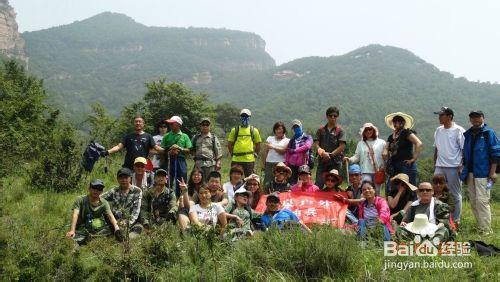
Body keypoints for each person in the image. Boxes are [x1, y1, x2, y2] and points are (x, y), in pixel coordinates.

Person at [460, 110, 499, 235]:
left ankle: (486, 230)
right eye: (473, 118)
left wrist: (493, 173)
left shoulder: (489, 133)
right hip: (470, 173)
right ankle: (480, 226)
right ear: (470, 119)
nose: (475, 120)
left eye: (478, 117)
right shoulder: (468, 134)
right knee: (473, 200)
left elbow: (496, 154)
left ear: (483, 118)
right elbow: (465, 154)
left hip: (483, 173)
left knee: (482, 201)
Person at [432, 107, 465, 226]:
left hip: (454, 166)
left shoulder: (458, 130)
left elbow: (463, 149)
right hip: (440, 165)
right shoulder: (438, 130)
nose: (439, 117)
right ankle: (438, 216)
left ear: (450, 116)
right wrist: (434, 161)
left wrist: (462, 165)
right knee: (436, 191)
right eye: (439, 115)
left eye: (442, 115)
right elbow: (436, 147)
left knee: (455, 194)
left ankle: (455, 221)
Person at [66, 179, 122, 245]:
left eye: (99, 189)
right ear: (89, 189)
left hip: (97, 228)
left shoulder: (104, 203)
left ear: (102, 191)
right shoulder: (80, 200)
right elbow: (75, 214)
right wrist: (72, 230)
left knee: (111, 232)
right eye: (94, 188)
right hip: (82, 228)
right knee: (71, 238)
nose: (96, 191)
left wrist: (116, 228)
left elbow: (110, 216)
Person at [383, 112, 422, 196]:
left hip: (406, 165)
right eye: (395, 121)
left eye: (400, 121)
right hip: (394, 166)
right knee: (396, 188)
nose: (397, 123)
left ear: (403, 122)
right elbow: (386, 148)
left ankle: (412, 208)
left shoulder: (406, 132)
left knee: (410, 188)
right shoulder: (391, 137)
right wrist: (385, 152)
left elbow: (418, 143)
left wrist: (414, 159)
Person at [344, 123, 386, 195]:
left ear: (374, 130)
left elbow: (385, 157)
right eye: (366, 130)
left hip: (378, 171)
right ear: (363, 132)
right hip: (365, 171)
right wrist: (350, 159)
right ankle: (366, 205)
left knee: (377, 191)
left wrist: (384, 167)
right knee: (367, 190)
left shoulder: (382, 143)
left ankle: (376, 205)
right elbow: (357, 156)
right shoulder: (361, 143)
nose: (368, 131)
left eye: (370, 129)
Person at [102, 168, 143, 238]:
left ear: (130, 178)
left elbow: (136, 212)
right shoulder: (114, 190)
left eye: (126, 177)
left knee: (135, 232)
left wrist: (127, 222)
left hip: (130, 221)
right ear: (117, 179)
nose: (123, 180)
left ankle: (124, 235)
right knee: (103, 232)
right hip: (116, 221)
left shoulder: (137, 191)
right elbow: (100, 198)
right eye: (121, 178)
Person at [314, 107, 346, 188]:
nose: (332, 117)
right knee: (319, 184)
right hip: (322, 161)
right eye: (330, 115)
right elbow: (316, 144)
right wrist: (322, 153)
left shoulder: (340, 131)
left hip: (335, 162)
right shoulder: (320, 130)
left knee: (334, 185)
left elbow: (342, 146)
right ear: (327, 116)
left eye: (335, 116)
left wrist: (330, 155)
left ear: (337, 117)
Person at [161, 115, 192, 196]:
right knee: (167, 179)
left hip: (180, 161)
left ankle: (181, 198)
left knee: (181, 179)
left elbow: (189, 150)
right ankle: (167, 197)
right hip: (169, 160)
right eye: (170, 123)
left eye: (172, 123)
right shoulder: (167, 135)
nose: (170, 125)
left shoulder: (185, 136)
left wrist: (180, 148)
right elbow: (162, 150)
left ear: (178, 124)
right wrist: (169, 151)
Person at [227, 108, 262, 177]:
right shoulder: (235, 130)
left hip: (249, 160)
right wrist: (232, 154)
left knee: (249, 180)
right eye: (243, 116)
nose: (244, 118)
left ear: (249, 117)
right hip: (236, 159)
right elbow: (229, 144)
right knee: (235, 178)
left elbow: (258, 145)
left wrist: (255, 154)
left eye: (246, 116)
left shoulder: (254, 130)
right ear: (240, 117)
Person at [191, 117, 222, 181]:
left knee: (209, 181)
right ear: (200, 126)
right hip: (198, 164)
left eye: (207, 125)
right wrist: (195, 158)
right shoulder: (195, 137)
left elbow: (218, 151)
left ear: (210, 126)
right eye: (203, 124)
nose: (205, 126)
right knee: (198, 181)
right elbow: (192, 150)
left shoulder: (213, 138)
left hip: (210, 164)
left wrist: (218, 162)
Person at [285, 119, 313, 185]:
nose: (296, 128)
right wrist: (286, 164)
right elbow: (288, 152)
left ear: (301, 126)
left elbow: (307, 146)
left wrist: (295, 150)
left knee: (304, 182)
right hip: (292, 164)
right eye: (294, 127)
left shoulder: (307, 137)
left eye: (297, 126)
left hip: (303, 164)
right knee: (291, 183)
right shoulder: (292, 140)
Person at [262, 121, 290, 187]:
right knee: (267, 182)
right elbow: (265, 151)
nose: (278, 131)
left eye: (280, 129)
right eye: (277, 129)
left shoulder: (287, 140)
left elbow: (283, 151)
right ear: (274, 130)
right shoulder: (269, 138)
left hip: (280, 164)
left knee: (280, 181)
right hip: (269, 163)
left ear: (283, 130)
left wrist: (273, 146)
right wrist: (263, 163)